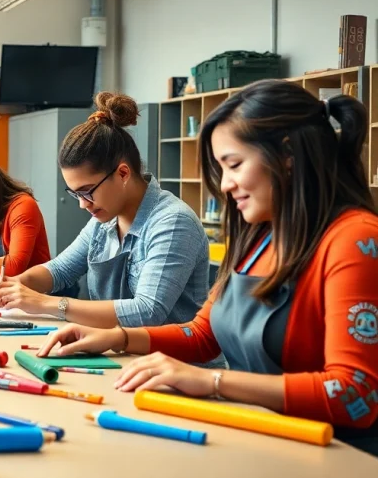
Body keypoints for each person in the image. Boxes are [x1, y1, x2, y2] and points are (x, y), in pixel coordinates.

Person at [39, 81, 378, 455]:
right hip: (263, 434)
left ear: (287, 156)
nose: (226, 185)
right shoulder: (258, 235)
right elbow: (202, 334)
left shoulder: (355, 240)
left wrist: (213, 381)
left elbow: (354, 395)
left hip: (336, 454)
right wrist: (117, 338)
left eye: (234, 165)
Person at [0, 92, 211, 329]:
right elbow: (60, 270)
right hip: (122, 353)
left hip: (175, 363)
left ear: (123, 173)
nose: (82, 204)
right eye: (75, 193)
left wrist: (46, 303)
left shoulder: (173, 222)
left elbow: (147, 311)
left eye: (87, 191)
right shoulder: (104, 221)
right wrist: (17, 284)